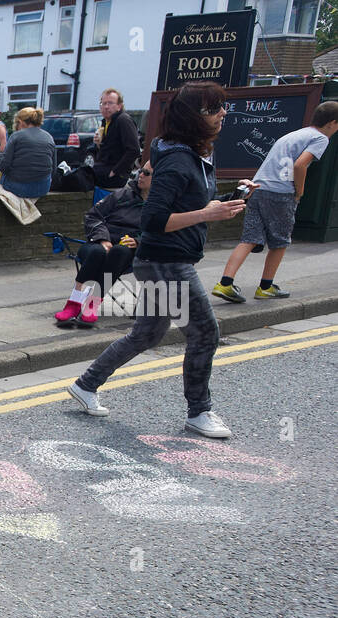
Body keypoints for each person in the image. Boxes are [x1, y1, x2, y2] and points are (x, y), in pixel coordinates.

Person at [67, 81, 254, 440]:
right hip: (167, 262)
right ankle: (199, 412)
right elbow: (153, 220)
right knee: (204, 334)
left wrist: (228, 201)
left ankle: (86, 384)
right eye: (216, 108)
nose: (223, 113)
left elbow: (190, 206)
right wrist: (206, 214)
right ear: (197, 116)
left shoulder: (188, 156)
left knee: (148, 332)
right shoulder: (178, 161)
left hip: (163, 260)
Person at [213, 101, 338, 303]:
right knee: (280, 241)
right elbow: (300, 165)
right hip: (281, 192)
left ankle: (225, 284)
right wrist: (299, 191)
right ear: (332, 123)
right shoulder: (320, 138)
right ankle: (266, 286)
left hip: (258, 188)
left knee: (249, 238)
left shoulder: (295, 134)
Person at [53, 161, 152, 327]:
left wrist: (138, 241)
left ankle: (93, 303)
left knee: (119, 252)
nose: (140, 175)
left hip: (128, 249)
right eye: (141, 171)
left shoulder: (159, 206)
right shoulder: (122, 195)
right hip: (99, 241)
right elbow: (93, 216)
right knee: (98, 252)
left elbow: (161, 232)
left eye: (147, 173)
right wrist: (103, 239)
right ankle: (74, 303)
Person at [0, 107, 56, 199]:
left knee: (2, 177)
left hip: (19, 188)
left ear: (20, 122)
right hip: (43, 188)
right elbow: (54, 169)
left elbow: (3, 166)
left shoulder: (16, 136)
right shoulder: (49, 137)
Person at [92, 88, 141, 190]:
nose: (106, 107)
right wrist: (98, 144)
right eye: (103, 103)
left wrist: (115, 171)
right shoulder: (106, 122)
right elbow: (109, 150)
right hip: (103, 170)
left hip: (116, 177)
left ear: (119, 106)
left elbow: (134, 150)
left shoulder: (123, 120)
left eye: (110, 103)